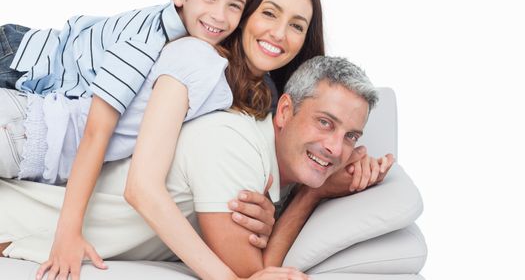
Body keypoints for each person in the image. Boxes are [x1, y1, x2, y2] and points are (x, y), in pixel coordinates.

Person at [0, 56, 394, 278]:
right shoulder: (233, 142)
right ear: (285, 110)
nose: (335, 147)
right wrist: (314, 195)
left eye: (351, 137)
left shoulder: (284, 166)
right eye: (325, 123)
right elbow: (251, 276)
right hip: (14, 219)